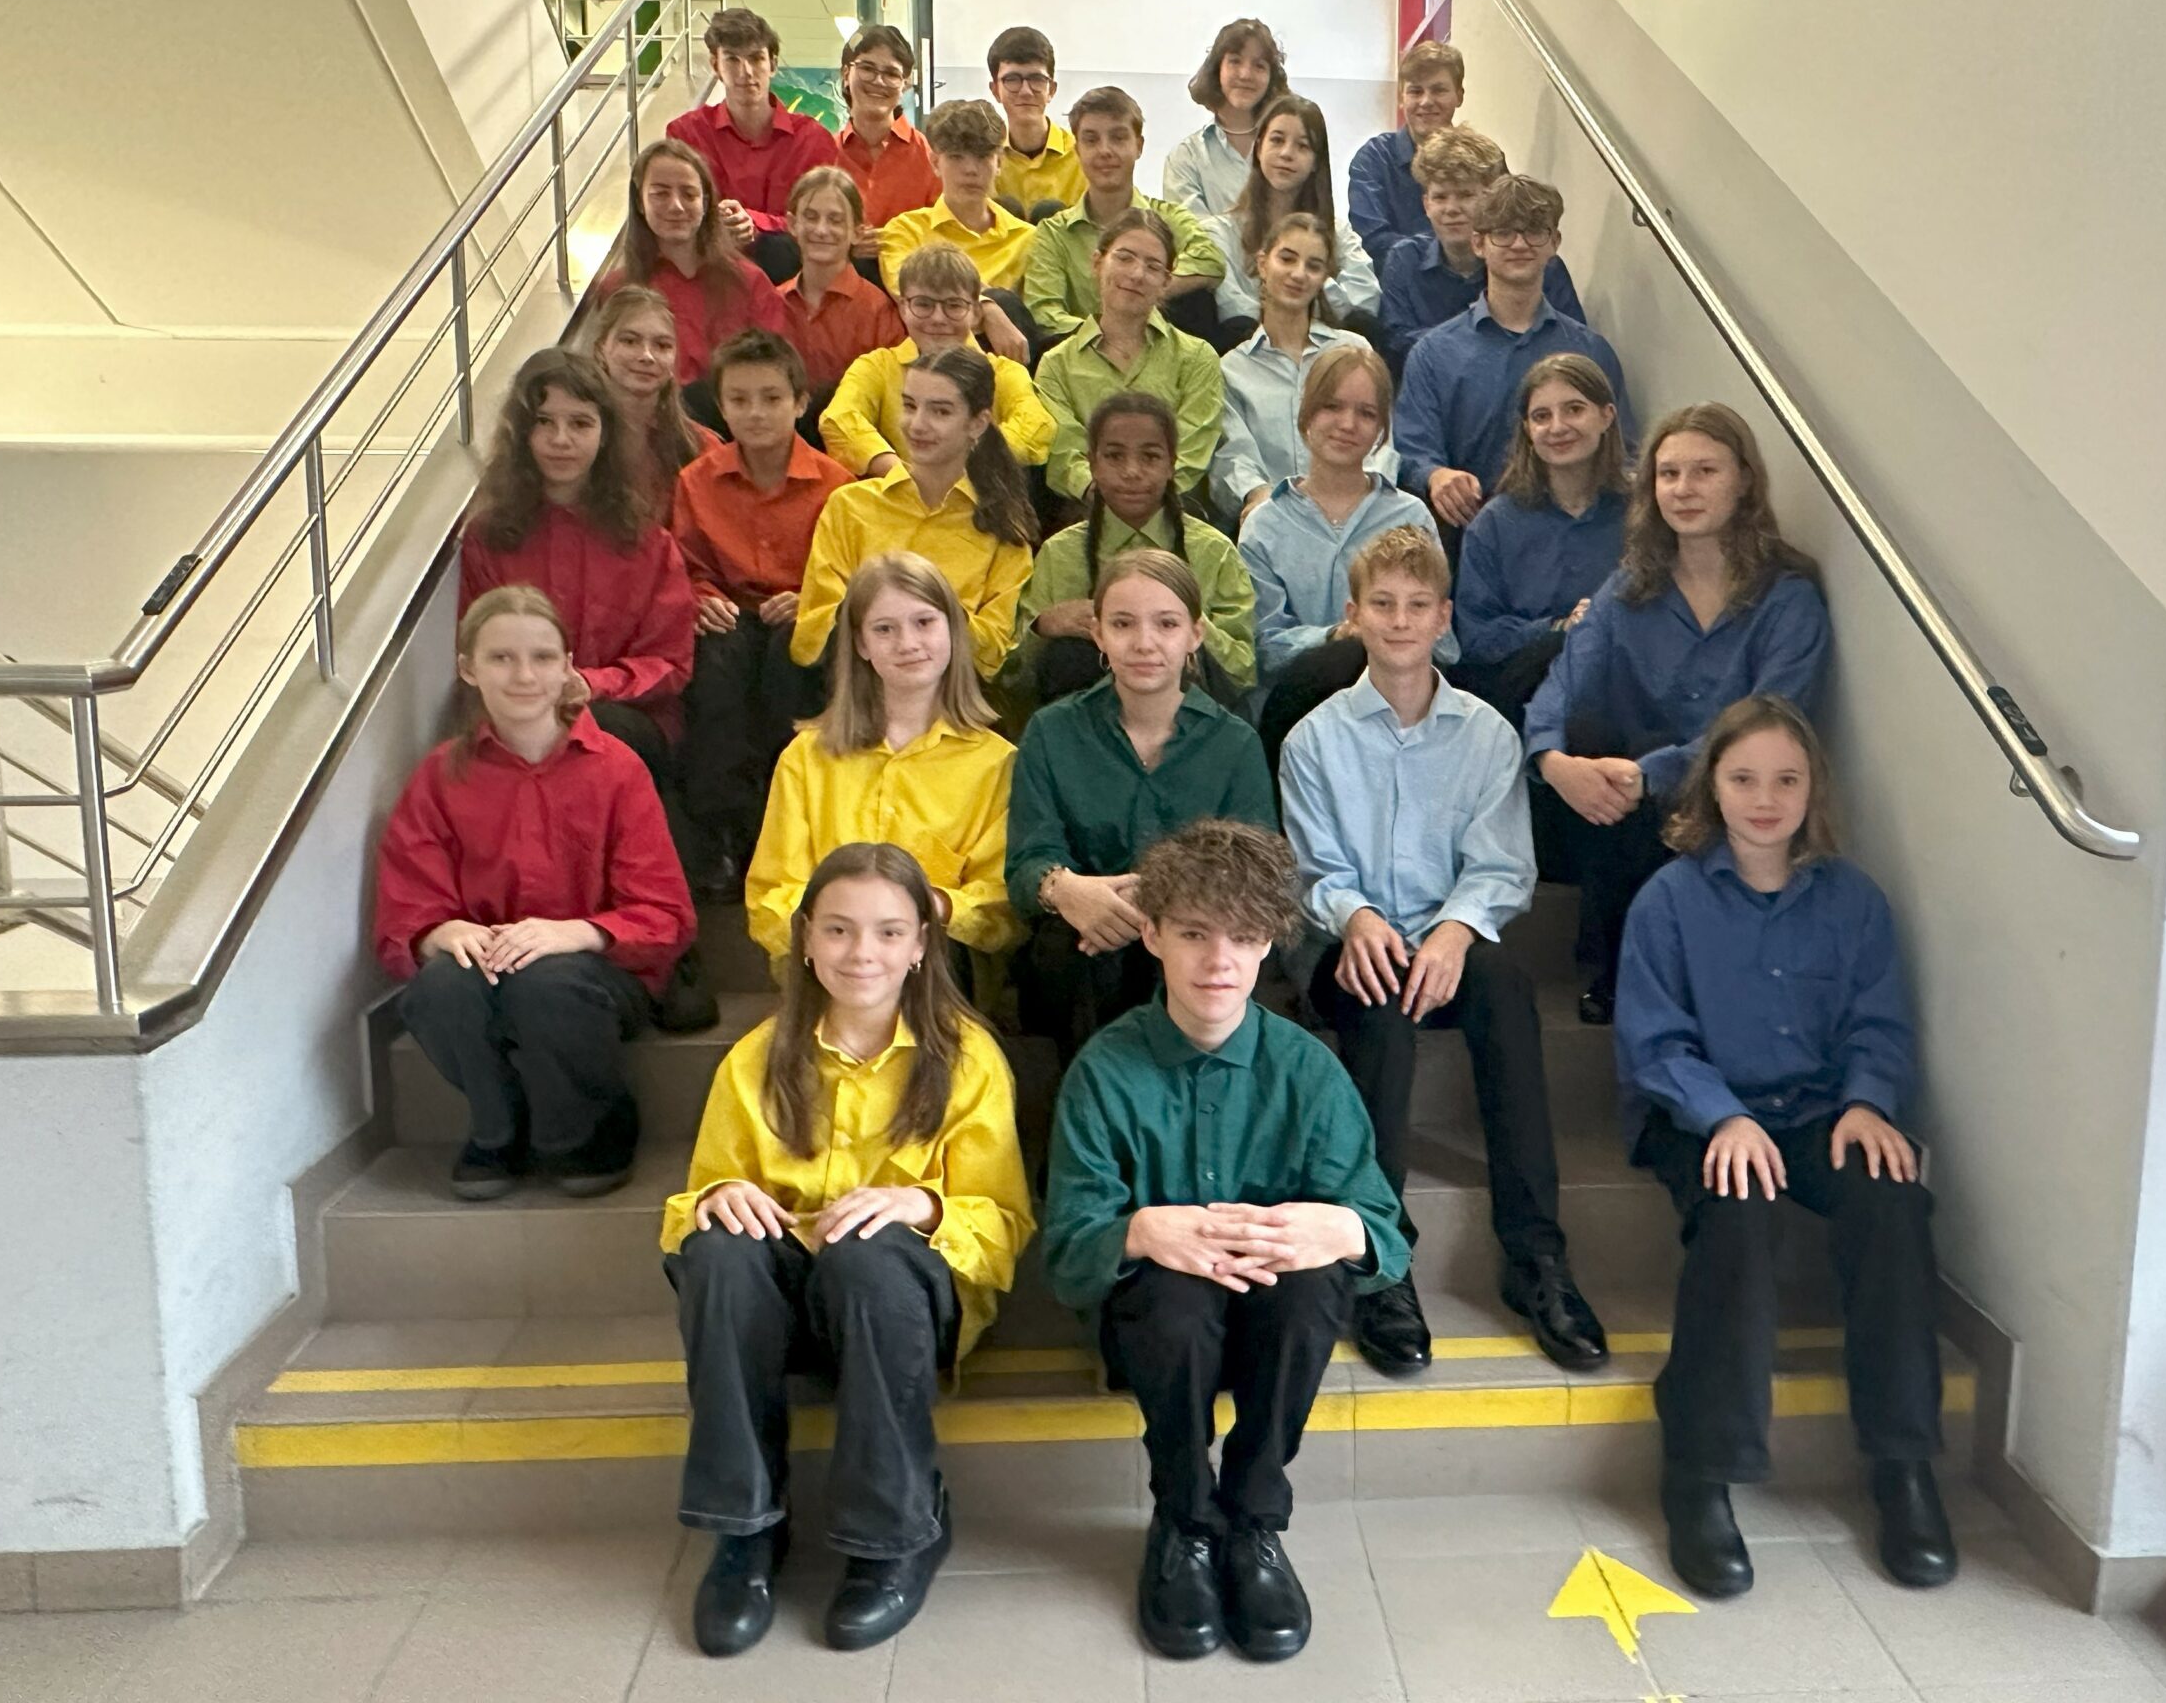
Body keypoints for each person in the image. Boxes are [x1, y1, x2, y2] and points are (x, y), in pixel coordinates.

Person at [1040, 819, 1407, 1664]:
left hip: (1271, 1323)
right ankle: (1184, 1519)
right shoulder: (1103, 1070)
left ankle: (1253, 1521)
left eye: (1243, 937)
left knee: (1314, 1286)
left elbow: (1386, 1232)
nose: (1219, 961)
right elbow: (1067, 1254)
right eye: (1195, 934)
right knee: (1171, 1297)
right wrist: (1138, 1230)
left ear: (1269, 942)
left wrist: (1344, 1226)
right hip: (1158, 1329)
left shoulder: (1308, 1068)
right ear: (1152, 935)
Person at [1615, 696, 1956, 1600]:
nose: (1765, 800)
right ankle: (1701, 1471)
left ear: (1813, 791)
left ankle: (1903, 1465)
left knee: (1893, 1200)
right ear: (1712, 788)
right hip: (1700, 1113)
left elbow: (1878, 1022)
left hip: (1816, 1111)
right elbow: (1656, 1043)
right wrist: (1723, 1117)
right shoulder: (1668, 902)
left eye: (1786, 780)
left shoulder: (1854, 902)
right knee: (1742, 1211)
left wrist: (1869, 1101)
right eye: (1743, 779)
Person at [665, 841, 1033, 1657]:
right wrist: (718, 1200)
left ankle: (896, 1531)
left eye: (888, 931)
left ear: (921, 945)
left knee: (869, 1254)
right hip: (785, 1304)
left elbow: (1004, 1223)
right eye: (837, 929)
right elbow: (693, 1203)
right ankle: (746, 1530)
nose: (861, 952)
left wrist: (922, 1205)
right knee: (719, 1250)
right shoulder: (756, 1058)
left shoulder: (968, 1059)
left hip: (898, 1304)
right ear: (804, 939)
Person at [1282, 527, 1606, 1376]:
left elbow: (1502, 866)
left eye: (1416, 605)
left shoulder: (1487, 735)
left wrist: (1456, 932)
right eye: (1382, 604)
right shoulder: (1313, 739)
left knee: (1506, 989)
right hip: (1350, 943)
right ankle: (1380, 1259)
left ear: (1443, 618)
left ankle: (1536, 1256)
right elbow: (1313, 870)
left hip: (1450, 939)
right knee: (1379, 1006)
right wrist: (1358, 919)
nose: (1399, 621)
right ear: (1353, 615)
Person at [375, 585, 695, 1199]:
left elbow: (666, 914)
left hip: (596, 973)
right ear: (468, 668)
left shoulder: (617, 768)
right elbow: (405, 909)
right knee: (439, 988)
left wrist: (572, 933)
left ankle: (586, 1131)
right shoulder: (440, 775)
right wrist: (442, 932)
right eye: (501, 658)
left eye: (543, 657)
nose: (524, 675)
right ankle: (498, 1127)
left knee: (547, 983)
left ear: (568, 666)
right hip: (488, 963)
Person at [1525, 403, 1829, 1025]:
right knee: (1591, 745)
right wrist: (1552, 759)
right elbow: (1566, 678)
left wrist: (1652, 774)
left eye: (1704, 471)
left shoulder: (1787, 599)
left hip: (1733, 795)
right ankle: (1619, 967)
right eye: (1668, 474)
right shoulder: (1630, 586)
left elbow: (1772, 723)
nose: (1683, 489)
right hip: (1621, 804)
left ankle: (1648, 977)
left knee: (1648, 777)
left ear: (1744, 481)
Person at [1009, 553, 1275, 1066]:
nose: (1144, 643)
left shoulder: (1234, 743)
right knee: (1070, 950)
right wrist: (1066, 890)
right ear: (1098, 634)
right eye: (1123, 624)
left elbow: (1256, 870)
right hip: (1085, 941)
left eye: (1167, 624)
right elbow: (1027, 861)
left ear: (1195, 635)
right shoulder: (1051, 731)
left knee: (1189, 950)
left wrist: (1158, 900)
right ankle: (1090, 1103)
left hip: (1194, 928)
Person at [749, 552, 1020, 972]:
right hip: (829, 970)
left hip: (936, 968)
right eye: (884, 629)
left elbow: (1002, 910)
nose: (907, 643)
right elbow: (771, 897)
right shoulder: (806, 757)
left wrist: (930, 906)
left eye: (924, 622)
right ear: (861, 644)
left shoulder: (997, 763)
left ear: (953, 628)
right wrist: (847, 926)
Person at [458, 349, 696, 798]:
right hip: (523, 715)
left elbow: (670, 663)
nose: (561, 439)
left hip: (626, 721)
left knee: (587, 731)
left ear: (605, 435)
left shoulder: (648, 542)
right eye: (543, 422)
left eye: (581, 423)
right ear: (522, 433)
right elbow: (480, 650)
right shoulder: (488, 538)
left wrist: (589, 684)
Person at [673, 329, 854, 899]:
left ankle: (789, 822)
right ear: (721, 407)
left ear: (800, 403)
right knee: (717, 660)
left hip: (799, 614)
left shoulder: (837, 485)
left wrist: (812, 597)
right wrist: (702, 596)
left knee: (794, 650)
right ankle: (726, 832)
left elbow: (849, 570)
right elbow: (687, 564)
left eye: (772, 398)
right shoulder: (695, 481)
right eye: (740, 399)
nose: (756, 413)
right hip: (732, 615)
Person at [1237, 346, 1448, 768]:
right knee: (1345, 655)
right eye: (1332, 407)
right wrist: (1336, 635)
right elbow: (1261, 648)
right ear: (1306, 413)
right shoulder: (1265, 525)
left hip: (1397, 709)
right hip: (1297, 712)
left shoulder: (1410, 516)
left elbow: (1443, 639)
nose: (1348, 424)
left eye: (1366, 413)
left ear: (1381, 429)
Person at [1393, 176, 1631, 534]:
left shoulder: (1590, 351)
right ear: (1478, 243)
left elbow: (1624, 449)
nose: (1519, 244)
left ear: (1555, 243)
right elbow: (1412, 449)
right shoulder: (1434, 354)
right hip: (1470, 531)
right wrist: (1436, 475)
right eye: (1503, 233)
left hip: (1577, 533)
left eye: (1534, 231)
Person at [792, 348, 1038, 678]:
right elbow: (811, 634)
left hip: (948, 686)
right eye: (909, 406)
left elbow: (992, 655)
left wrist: (926, 610)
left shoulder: (1003, 530)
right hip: (853, 679)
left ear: (978, 423)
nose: (917, 424)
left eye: (940, 411)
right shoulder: (849, 505)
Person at [1009, 392, 1255, 711]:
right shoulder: (1060, 554)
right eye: (1114, 456)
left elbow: (1242, 674)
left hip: (1189, 721)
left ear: (1172, 464)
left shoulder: (1213, 551)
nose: (1131, 471)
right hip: (1081, 724)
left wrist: (1183, 622)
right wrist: (1043, 627)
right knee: (1069, 655)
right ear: (1092, 463)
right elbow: (1013, 680)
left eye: (1150, 457)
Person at [1452, 353, 1630, 727]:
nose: (1557, 427)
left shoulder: (1643, 513)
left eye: (1574, 409)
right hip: (1525, 692)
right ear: (1528, 431)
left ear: (1607, 415)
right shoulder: (1494, 524)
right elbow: (1476, 637)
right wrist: (1559, 628)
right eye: (1541, 416)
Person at [1213, 214, 1399, 524]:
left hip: (1359, 517)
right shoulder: (1232, 369)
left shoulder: (1354, 350)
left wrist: (1364, 499)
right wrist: (1258, 496)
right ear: (1262, 264)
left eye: (1313, 266)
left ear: (1324, 276)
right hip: (1273, 521)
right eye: (1287, 259)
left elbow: (1381, 439)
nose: (1299, 274)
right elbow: (1234, 456)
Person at [1038, 212, 1227, 508]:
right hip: (1090, 510)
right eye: (1124, 258)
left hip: (1174, 509)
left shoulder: (1197, 358)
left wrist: (1143, 497)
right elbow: (1065, 454)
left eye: (1153, 266)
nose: (1137, 274)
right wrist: (1107, 495)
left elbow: (1193, 449)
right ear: (1097, 263)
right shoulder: (1056, 364)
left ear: (1166, 281)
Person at [818, 244, 1054, 478]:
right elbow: (838, 419)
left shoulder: (1004, 372)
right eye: (923, 304)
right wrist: (903, 474)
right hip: (902, 490)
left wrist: (966, 467)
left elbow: (1036, 425)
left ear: (975, 312)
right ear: (903, 308)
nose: (938, 318)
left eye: (954, 305)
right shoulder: (876, 366)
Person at [597, 140, 791, 411]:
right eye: (660, 194)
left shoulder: (749, 282)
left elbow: (777, 372)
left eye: (689, 194)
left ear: (706, 202)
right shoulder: (617, 288)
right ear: (640, 202)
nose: (676, 206)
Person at [1022, 87, 1225, 340]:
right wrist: (1111, 333)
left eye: (1118, 138)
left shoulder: (1169, 218)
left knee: (1198, 301)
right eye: (1091, 140)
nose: (1105, 150)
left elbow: (1210, 260)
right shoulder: (1053, 233)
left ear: (1139, 146)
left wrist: (1148, 284)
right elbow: (1044, 312)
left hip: (1161, 351)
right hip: (1082, 355)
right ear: (1077, 150)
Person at [1376, 126, 1583, 372]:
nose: (1451, 209)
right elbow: (1395, 344)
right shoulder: (1404, 259)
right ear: (1426, 204)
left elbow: (1572, 347)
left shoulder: (1535, 261)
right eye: (1440, 197)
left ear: (1489, 201)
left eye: (1465, 195)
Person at [667, 5, 842, 289]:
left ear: (772, 64)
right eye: (732, 59)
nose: (745, 72)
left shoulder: (813, 139)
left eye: (756, 58)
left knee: (780, 250)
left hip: (793, 283)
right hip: (711, 279)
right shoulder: (686, 134)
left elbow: (824, 224)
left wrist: (755, 223)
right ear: (715, 66)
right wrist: (717, 228)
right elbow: (676, 218)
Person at [1203, 95, 1380, 341]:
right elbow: (1234, 309)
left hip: (1325, 351)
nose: (1287, 153)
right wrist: (1303, 306)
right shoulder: (1219, 232)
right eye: (1277, 140)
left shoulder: (1337, 233)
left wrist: (1310, 294)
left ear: (1316, 161)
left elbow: (1365, 298)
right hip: (1251, 349)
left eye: (1303, 146)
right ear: (1258, 148)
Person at [874, 98, 1039, 309]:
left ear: (999, 163)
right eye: (956, 157)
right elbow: (915, 298)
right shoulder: (905, 232)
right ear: (935, 163)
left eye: (982, 157)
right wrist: (988, 307)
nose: (971, 170)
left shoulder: (1028, 239)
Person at [775, 168, 905, 412]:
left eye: (835, 220)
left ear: (857, 232)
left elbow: (893, 398)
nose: (821, 230)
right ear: (792, 224)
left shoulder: (878, 311)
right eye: (811, 217)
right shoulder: (772, 302)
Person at [581, 284, 706, 506]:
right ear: (600, 349)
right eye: (630, 341)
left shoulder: (702, 446)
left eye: (662, 345)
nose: (647, 356)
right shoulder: (572, 441)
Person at [1348, 39, 1464, 272]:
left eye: (1438, 90)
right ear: (1401, 98)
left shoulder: (1485, 161)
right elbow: (1373, 242)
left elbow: (1499, 232)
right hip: (1394, 286)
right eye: (1415, 91)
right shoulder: (1373, 159)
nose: (1426, 101)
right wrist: (1454, 252)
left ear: (1459, 96)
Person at [1160, 18, 1288, 217]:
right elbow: (1192, 233)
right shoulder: (1186, 158)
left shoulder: (1290, 151)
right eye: (1235, 61)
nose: (1245, 74)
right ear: (1217, 69)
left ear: (1271, 78)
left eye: (1259, 65)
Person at [833, 24, 939, 239]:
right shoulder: (825, 154)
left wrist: (892, 241)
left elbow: (944, 233)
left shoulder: (929, 156)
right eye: (867, 68)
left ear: (904, 85)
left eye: (891, 73)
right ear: (846, 74)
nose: (878, 81)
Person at [986, 24, 1085, 216]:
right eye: (1012, 79)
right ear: (995, 90)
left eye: (1036, 79)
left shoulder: (1083, 156)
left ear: (1052, 90)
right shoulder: (984, 158)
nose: (1025, 91)